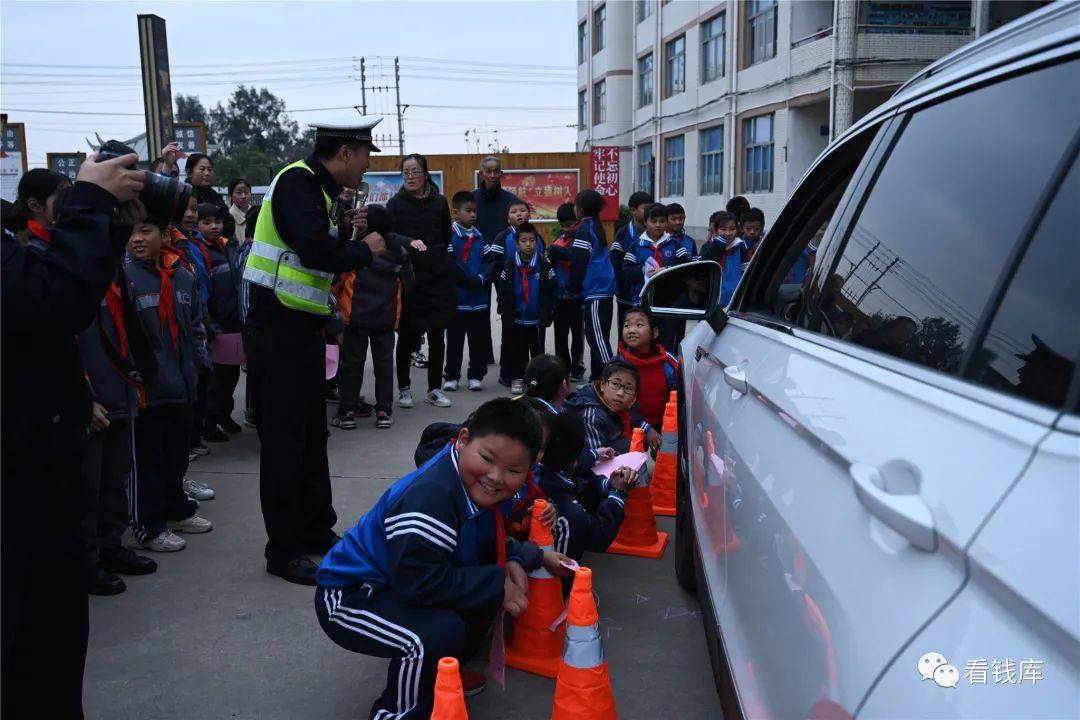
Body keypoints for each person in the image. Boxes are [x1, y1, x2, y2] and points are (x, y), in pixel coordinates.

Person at [314, 398, 572, 719]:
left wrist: (528, 556)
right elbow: (417, 583)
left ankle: (440, 676)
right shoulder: (431, 498)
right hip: (349, 596)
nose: (496, 476)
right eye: (487, 458)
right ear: (463, 440)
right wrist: (498, 583)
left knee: (480, 592)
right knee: (432, 635)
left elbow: (486, 540)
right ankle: (397, 713)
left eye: (514, 470)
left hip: (400, 579)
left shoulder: (469, 482)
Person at [2, 151, 144, 719]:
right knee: (37, 646)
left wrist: (108, 224)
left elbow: (58, 307)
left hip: (36, 464)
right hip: (20, 485)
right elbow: (49, 301)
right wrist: (88, 204)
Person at [242, 118, 387, 585]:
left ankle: (315, 529)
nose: (367, 166)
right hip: (276, 330)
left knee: (310, 435)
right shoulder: (297, 182)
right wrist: (364, 250)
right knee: (285, 442)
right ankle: (283, 550)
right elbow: (315, 252)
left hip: (302, 329)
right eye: (365, 157)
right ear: (345, 153)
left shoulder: (320, 192)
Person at [121, 217, 214, 553]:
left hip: (182, 384)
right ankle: (148, 526)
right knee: (149, 461)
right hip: (147, 390)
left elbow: (196, 326)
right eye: (132, 232)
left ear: (164, 234)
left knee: (176, 456)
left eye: (145, 231)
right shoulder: (124, 277)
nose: (137, 239)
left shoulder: (183, 276)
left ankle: (177, 509)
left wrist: (199, 366)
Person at [77, 266, 158, 595]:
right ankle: (87, 561)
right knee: (88, 486)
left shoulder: (112, 271)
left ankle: (111, 546)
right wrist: (83, 397)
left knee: (116, 476)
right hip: (90, 398)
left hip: (119, 390)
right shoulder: (63, 268)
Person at [332, 204, 414, 430]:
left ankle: (347, 413)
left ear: (367, 225)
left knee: (352, 365)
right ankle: (384, 412)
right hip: (386, 318)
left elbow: (339, 281)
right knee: (384, 366)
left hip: (355, 317)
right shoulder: (398, 252)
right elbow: (409, 284)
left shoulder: (357, 249)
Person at [387, 153, 456, 410]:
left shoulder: (439, 202)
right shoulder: (395, 204)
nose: (410, 176)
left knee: (438, 335)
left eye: (415, 171)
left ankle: (434, 389)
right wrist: (408, 242)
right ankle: (404, 388)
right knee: (407, 336)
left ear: (425, 174)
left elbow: (446, 236)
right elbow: (387, 235)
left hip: (436, 277)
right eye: (406, 172)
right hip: (409, 277)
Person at [532, 408, 634, 564]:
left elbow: (581, 487)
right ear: (574, 458)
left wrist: (609, 484)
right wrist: (619, 494)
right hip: (561, 574)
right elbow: (598, 537)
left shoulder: (551, 470)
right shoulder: (566, 507)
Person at [197, 202, 245, 440]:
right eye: (206, 223)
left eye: (217, 222)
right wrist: (210, 322)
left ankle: (223, 414)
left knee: (231, 372)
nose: (213, 227)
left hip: (233, 321)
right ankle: (209, 421)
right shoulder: (198, 251)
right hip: (214, 324)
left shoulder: (228, 246)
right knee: (215, 377)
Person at [472, 156, 524, 368]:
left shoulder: (510, 201)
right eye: (488, 171)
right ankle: (484, 354)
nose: (492, 175)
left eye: (496, 171)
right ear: (482, 173)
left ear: (501, 173)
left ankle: (509, 355)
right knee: (481, 310)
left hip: (505, 263)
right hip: (480, 262)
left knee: (508, 308)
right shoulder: (472, 199)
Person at [496, 222, 555, 395]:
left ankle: (536, 381)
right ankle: (517, 378)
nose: (528, 244)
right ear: (517, 244)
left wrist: (548, 310)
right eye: (524, 241)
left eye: (532, 240)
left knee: (537, 352)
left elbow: (552, 289)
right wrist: (504, 310)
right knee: (517, 351)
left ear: (537, 242)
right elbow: (503, 289)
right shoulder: (510, 265)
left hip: (536, 318)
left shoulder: (544, 264)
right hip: (517, 318)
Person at [622, 203, 691, 348]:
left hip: (669, 304)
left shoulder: (674, 245)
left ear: (666, 223)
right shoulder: (636, 246)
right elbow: (626, 270)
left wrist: (666, 270)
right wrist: (643, 270)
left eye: (662, 221)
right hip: (643, 303)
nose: (658, 225)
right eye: (653, 221)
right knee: (644, 342)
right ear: (645, 222)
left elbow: (687, 268)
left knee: (668, 342)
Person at [443, 190, 491, 392]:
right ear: (456, 212)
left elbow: (489, 263)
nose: (473, 215)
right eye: (468, 211)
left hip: (478, 299)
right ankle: (451, 376)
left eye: (474, 211)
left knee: (477, 341)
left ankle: (476, 375)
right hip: (457, 299)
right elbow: (449, 262)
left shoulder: (480, 237)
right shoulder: (450, 236)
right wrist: (464, 280)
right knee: (454, 340)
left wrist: (480, 278)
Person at [567, 189, 617, 382]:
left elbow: (579, 261)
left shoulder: (584, 228)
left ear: (579, 209)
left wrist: (573, 287)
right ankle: (597, 380)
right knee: (599, 336)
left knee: (597, 339)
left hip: (596, 290)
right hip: (602, 289)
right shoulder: (595, 224)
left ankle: (615, 378)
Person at [564, 359, 659, 453]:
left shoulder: (622, 404)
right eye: (615, 384)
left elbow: (634, 418)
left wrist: (647, 428)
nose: (620, 393)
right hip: (588, 456)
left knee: (642, 438)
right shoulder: (592, 416)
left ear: (634, 396)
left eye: (628, 388)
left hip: (612, 440)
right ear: (602, 385)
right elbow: (596, 456)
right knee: (634, 444)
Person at [614, 308, 680, 430]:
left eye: (639, 325)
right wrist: (644, 428)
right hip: (625, 427)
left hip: (663, 427)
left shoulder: (668, 362)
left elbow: (678, 400)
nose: (631, 330)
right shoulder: (618, 363)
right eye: (627, 325)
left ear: (654, 332)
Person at [546, 203, 585, 380]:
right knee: (560, 334)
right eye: (563, 225)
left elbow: (581, 259)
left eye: (570, 224)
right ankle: (562, 365)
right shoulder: (558, 241)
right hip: (560, 295)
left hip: (577, 295)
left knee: (577, 334)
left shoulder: (583, 240)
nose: (566, 228)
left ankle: (577, 366)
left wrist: (562, 252)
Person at [611, 191, 653, 328]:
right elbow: (616, 263)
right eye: (645, 208)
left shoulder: (656, 232)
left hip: (650, 296)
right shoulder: (623, 233)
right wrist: (624, 287)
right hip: (626, 296)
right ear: (633, 211)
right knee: (627, 331)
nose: (649, 211)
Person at [13, 168, 71, 250]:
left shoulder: (60, 235)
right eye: (63, 195)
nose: (70, 200)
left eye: (70, 193)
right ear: (35, 205)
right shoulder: (32, 249)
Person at [185, 153, 234, 238]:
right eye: (202, 169)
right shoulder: (183, 195)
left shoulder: (215, 196)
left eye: (210, 169)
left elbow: (229, 222)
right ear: (189, 172)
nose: (207, 173)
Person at [227, 178, 253, 250]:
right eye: (239, 193)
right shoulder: (228, 218)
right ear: (231, 195)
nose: (243, 196)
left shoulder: (257, 214)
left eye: (246, 192)